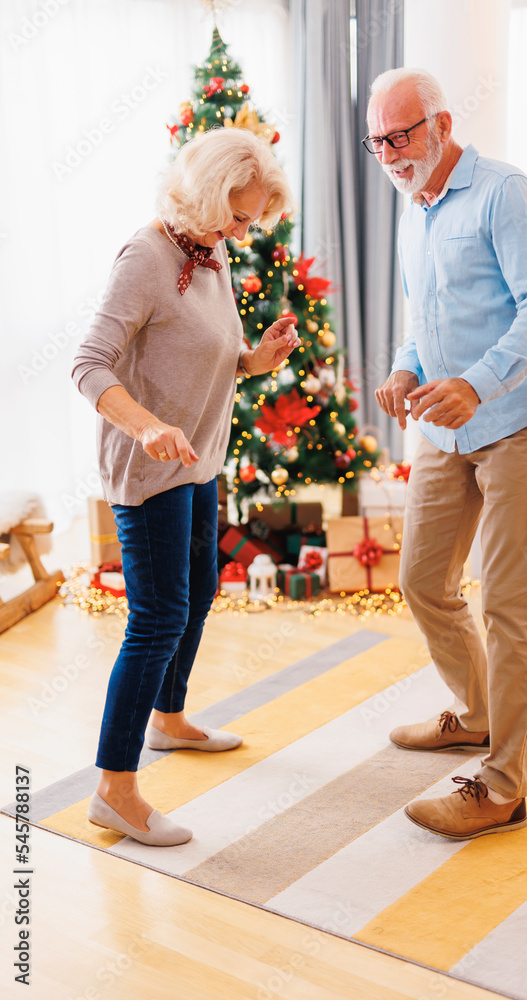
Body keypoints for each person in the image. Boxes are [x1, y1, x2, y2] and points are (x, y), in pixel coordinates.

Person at [72, 127, 299, 846]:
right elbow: (88, 365)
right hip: (149, 470)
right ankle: (113, 788)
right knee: (157, 619)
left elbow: (209, 352)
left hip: (198, 462)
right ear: (202, 195)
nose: (243, 230)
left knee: (198, 595)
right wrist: (144, 427)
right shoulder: (146, 255)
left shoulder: (212, 252)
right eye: (236, 215)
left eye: (251, 218)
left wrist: (257, 359)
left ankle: (168, 721)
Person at [367, 68, 527, 840]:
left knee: (510, 605)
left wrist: (477, 384)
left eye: (401, 135)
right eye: (377, 140)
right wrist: (403, 367)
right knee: (422, 581)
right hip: (443, 427)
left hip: (516, 418)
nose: (388, 153)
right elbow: (424, 320)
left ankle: (502, 786)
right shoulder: (410, 211)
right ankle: (476, 712)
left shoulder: (504, 193)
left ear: (441, 125)